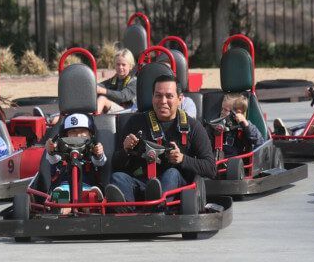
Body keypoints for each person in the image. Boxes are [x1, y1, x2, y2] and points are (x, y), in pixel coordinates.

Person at [105, 75, 216, 210]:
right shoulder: (135, 122)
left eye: (169, 96)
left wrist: (182, 159)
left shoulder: (193, 127)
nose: (163, 101)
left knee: (171, 173)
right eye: (158, 96)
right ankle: (128, 212)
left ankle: (157, 207)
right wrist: (125, 151)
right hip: (142, 184)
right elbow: (116, 166)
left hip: (174, 190)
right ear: (152, 97)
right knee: (118, 177)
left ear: (179, 99)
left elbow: (211, 168)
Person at [45, 113, 106, 211]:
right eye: (73, 131)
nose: (78, 135)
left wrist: (98, 154)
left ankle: (88, 208)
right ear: (66, 135)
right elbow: (53, 159)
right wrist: (50, 150)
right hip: (64, 187)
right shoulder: (60, 150)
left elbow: (100, 162)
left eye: (82, 131)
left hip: (87, 187)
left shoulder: (93, 150)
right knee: (59, 193)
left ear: (90, 134)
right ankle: (62, 209)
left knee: (92, 194)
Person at [218, 93, 264, 157]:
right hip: (221, 157)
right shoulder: (220, 124)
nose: (222, 112)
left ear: (237, 113)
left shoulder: (245, 127)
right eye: (222, 109)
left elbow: (259, 142)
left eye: (225, 110)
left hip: (238, 161)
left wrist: (246, 125)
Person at [96, 48, 137, 114]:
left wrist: (103, 91)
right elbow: (100, 86)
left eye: (123, 65)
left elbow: (123, 96)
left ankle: (90, 120)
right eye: (118, 64)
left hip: (129, 113)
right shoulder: (114, 79)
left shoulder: (134, 81)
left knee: (102, 99)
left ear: (130, 66)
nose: (120, 67)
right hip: (118, 111)